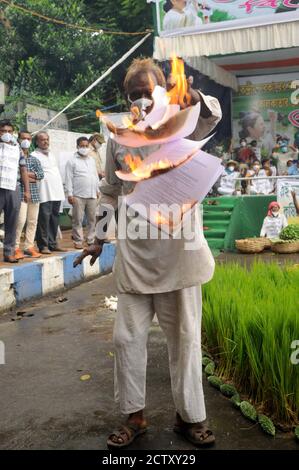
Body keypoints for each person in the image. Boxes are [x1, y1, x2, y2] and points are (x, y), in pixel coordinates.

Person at [74, 57, 222, 448]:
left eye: (149, 90)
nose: (142, 99)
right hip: (135, 255)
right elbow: (109, 190)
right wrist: (97, 238)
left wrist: (194, 98)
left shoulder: (184, 121)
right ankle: (134, 416)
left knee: (186, 339)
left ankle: (190, 418)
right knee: (126, 339)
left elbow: (211, 117)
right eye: (134, 94)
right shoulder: (120, 137)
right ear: (126, 98)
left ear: (165, 89)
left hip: (181, 254)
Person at [0, 120, 30, 263]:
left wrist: (26, 190)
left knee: (12, 222)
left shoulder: (17, 148)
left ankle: (9, 252)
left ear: (13, 133)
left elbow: (23, 169)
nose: (6, 134)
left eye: (9, 131)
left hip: (13, 188)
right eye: (3, 131)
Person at [32, 132, 65, 254]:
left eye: (47, 139)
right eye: (42, 140)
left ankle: (52, 243)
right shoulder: (33, 155)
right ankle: (43, 245)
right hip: (44, 192)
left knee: (54, 219)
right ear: (37, 142)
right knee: (43, 219)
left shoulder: (52, 154)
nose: (45, 142)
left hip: (56, 191)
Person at [65, 136, 99, 249]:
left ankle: (90, 239)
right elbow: (68, 178)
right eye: (82, 146)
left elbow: (95, 176)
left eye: (86, 146)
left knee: (92, 219)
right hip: (78, 195)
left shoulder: (91, 160)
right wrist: (69, 194)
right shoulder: (72, 161)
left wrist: (98, 189)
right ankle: (78, 240)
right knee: (77, 219)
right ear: (77, 147)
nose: (84, 148)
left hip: (92, 194)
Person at [15, 130, 44, 259]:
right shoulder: (14, 157)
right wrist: (28, 176)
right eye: (23, 138)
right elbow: (16, 176)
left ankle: (29, 246)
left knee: (33, 221)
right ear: (18, 140)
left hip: (34, 194)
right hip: (20, 194)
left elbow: (40, 175)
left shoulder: (34, 159)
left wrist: (25, 175)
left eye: (28, 138)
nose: (26, 141)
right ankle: (15, 247)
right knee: (20, 221)